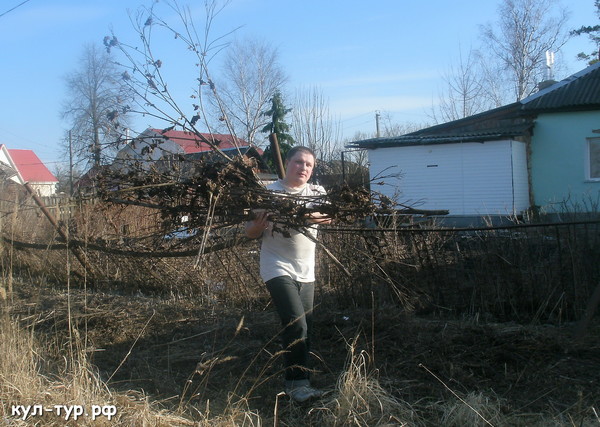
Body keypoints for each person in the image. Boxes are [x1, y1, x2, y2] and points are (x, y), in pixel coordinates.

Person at [245, 146, 331, 403]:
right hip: (276, 265)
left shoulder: (316, 192)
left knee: (306, 325)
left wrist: (307, 215)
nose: (303, 168)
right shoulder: (269, 193)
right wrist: (257, 226)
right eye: (299, 162)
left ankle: (301, 374)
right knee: (296, 322)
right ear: (289, 163)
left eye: (309, 165)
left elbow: (328, 217)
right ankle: (296, 386)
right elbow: (249, 231)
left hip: (306, 269)